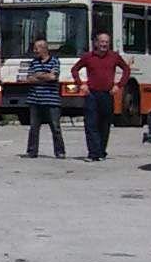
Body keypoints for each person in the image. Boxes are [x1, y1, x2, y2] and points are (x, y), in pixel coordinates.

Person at [75, 28, 127, 162]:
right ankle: (93, 153)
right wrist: (81, 84)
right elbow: (75, 69)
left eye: (107, 42)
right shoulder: (88, 56)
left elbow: (126, 70)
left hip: (107, 94)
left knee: (104, 124)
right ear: (96, 43)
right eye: (102, 42)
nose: (104, 44)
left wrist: (118, 85)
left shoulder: (114, 56)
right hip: (92, 94)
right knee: (91, 124)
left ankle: (101, 151)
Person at [17, 36, 68, 159]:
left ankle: (60, 152)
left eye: (37, 48)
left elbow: (53, 77)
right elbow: (29, 78)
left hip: (51, 100)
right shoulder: (34, 62)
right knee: (34, 128)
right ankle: (32, 151)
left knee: (55, 127)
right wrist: (43, 76)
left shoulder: (54, 61)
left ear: (44, 49)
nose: (35, 51)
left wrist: (38, 76)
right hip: (35, 100)